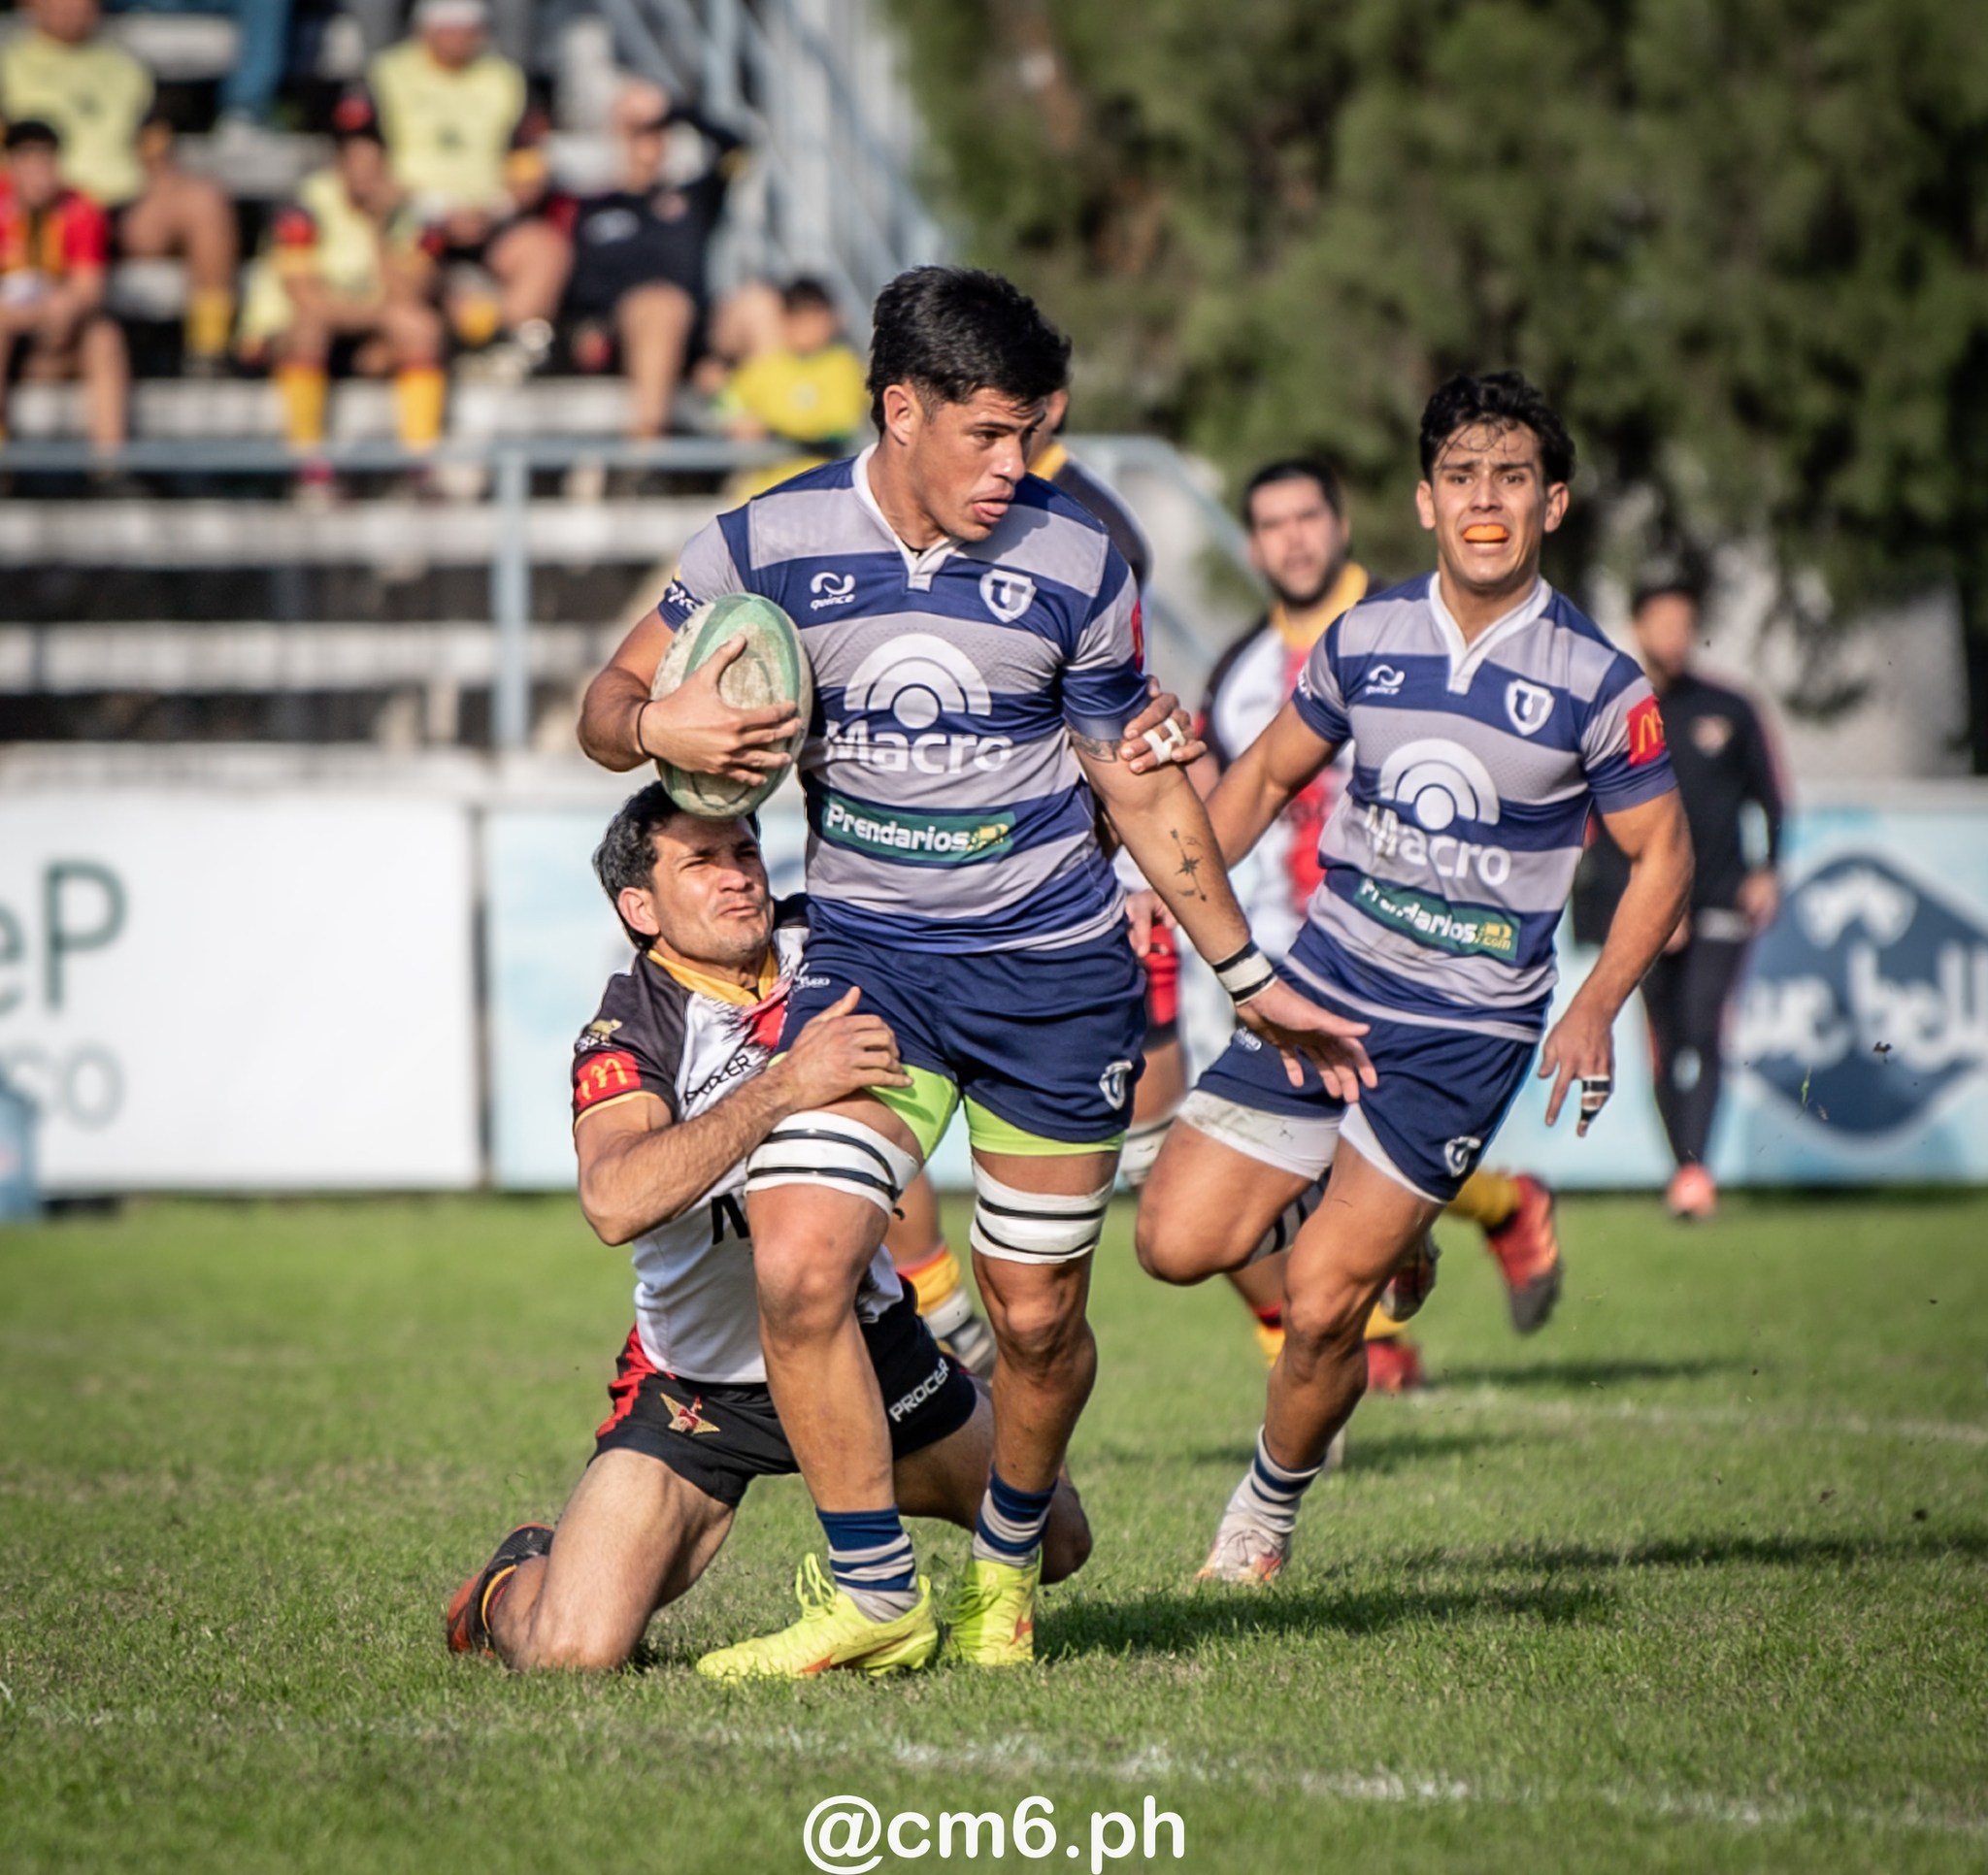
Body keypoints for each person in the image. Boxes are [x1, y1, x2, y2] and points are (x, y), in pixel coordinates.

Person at [579, 265, 1372, 1678]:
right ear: (901, 409)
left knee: (1035, 1319)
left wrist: (1247, 975)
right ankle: (875, 1596)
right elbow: (600, 707)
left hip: (1057, 981)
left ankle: (1004, 1569)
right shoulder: (765, 543)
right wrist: (661, 719)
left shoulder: (1078, 559)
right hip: (873, 966)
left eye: (1033, 435)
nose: (1017, 467)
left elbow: (1137, 784)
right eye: (988, 435)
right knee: (806, 1262)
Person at [1136, 370, 1693, 1584]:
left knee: (1326, 1302)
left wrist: (1594, 1005)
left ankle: (1259, 1521)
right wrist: (1165, 890)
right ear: (1422, 500)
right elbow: (1263, 779)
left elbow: (1664, 860)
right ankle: (1402, 1238)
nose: (1482, 502)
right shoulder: (1364, 638)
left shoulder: (1599, 683)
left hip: (1464, 1028)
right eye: (1459, 478)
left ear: (1552, 503)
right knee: (1174, 1242)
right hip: (1324, 983)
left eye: (1508, 480)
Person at [446, 786, 1089, 1671]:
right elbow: (614, 1200)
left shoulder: (831, 944)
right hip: (700, 1391)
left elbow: (960, 891)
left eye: (745, 853)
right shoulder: (630, 1029)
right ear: (641, 907)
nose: (738, 878)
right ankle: (510, 1579)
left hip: (866, 1350)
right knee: (569, 1653)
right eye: (701, 863)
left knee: (1060, 1541)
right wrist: (787, 1083)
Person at [1194, 456, 1567, 1391]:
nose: (1294, 539)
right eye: (1273, 523)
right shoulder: (1241, 675)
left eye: (1308, 516)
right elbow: (1232, 794)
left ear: (1343, 520)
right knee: (1250, 1163)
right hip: (1281, 942)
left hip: (1416, 947)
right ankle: (1373, 1324)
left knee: (1350, 1150)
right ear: (1253, 545)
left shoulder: (1422, 629)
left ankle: (1482, 1223)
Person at [1573, 577, 1785, 1219]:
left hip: (1721, 898)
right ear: (1639, 628)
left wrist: (1768, 869)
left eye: (1683, 623)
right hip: (1645, 909)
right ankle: (1686, 1170)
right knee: (1665, 1039)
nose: (1673, 635)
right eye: (1660, 622)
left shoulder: (1731, 708)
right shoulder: (1614, 713)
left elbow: (1771, 799)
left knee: (1702, 1027)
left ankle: (1697, 1172)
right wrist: (1650, 908)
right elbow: (1595, 824)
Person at [0, 0, 239, 372]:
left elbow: (155, 148)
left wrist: (162, 178)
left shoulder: (125, 68)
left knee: (204, 200)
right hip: (40, 216)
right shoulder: (9, 64)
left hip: (118, 210)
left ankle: (210, 351)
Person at [235, 95, 446, 474]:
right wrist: (377, 311)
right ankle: (309, 465)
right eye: (355, 159)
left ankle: (421, 464)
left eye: (373, 160)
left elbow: (411, 297)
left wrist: (379, 229)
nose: (364, 172)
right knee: (309, 328)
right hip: (281, 337)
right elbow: (306, 299)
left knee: (420, 327)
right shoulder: (305, 205)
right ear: (338, 162)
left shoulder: (404, 213)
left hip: (357, 335)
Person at [364, 0, 567, 375]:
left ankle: (498, 342)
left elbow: (529, 165)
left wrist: (496, 207)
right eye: (448, 27)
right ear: (426, 28)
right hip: (413, 219)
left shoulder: (504, 77)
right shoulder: (387, 73)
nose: (458, 37)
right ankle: (435, 343)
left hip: (488, 217)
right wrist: (431, 208)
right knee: (398, 262)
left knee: (545, 250)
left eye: (467, 27)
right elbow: (363, 166)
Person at [554, 78, 749, 444]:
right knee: (661, 305)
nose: (648, 140)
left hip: (695, 326)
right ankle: (646, 449)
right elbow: (576, 285)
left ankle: (790, 442)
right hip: (624, 329)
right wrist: (584, 325)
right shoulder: (592, 207)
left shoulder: (692, 199)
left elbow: (739, 149)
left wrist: (675, 111)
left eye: (656, 131)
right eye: (636, 131)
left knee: (759, 304)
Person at [0, 117, 126, 457]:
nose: (40, 174)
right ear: (12, 164)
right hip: (9, 337)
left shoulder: (81, 210)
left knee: (104, 338)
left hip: (57, 340)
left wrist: (57, 310)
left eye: (47, 162)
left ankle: (109, 466)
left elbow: (88, 289)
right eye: (30, 162)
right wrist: (25, 315)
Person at [715, 276, 869, 498]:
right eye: (798, 317)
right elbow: (722, 403)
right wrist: (735, 420)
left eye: (814, 316)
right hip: (770, 490)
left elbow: (836, 425)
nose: (807, 327)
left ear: (831, 319)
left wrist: (770, 427)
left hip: (828, 490)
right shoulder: (766, 366)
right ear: (784, 320)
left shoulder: (845, 367)